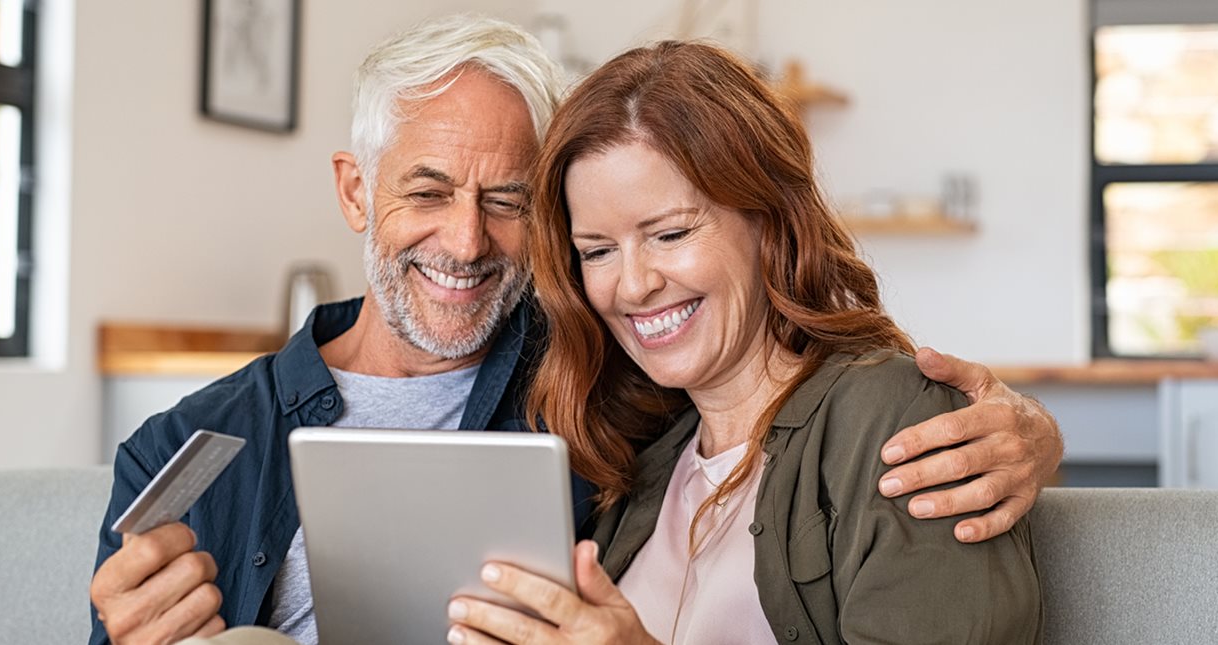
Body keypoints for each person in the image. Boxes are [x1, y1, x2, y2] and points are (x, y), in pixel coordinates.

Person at [88, 15, 1062, 645]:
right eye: (597, 248)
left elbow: (827, 414)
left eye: (506, 200)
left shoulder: (604, 397)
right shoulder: (182, 451)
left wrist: (1029, 432)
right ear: (356, 190)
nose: (465, 241)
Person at [444, 41, 1042, 645]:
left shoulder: (894, 419)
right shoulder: (648, 455)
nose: (632, 285)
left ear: (769, 220)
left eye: (671, 233)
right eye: (598, 251)